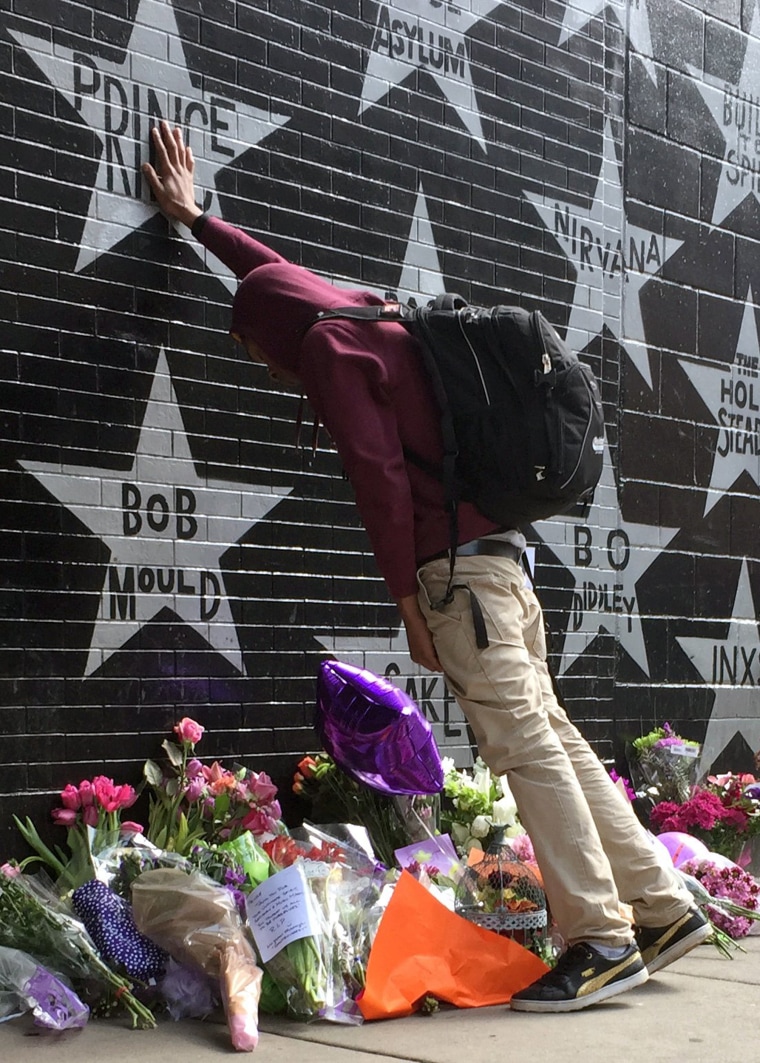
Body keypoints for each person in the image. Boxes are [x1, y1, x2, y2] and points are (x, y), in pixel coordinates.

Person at [142, 121, 711, 1013]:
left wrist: (408, 603)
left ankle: (601, 939)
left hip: (459, 580)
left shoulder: (328, 349)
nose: (261, 364)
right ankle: (660, 904)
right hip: (506, 569)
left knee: (524, 747)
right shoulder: (368, 315)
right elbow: (278, 276)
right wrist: (201, 219)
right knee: (552, 736)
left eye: (251, 350)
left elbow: (377, 480)